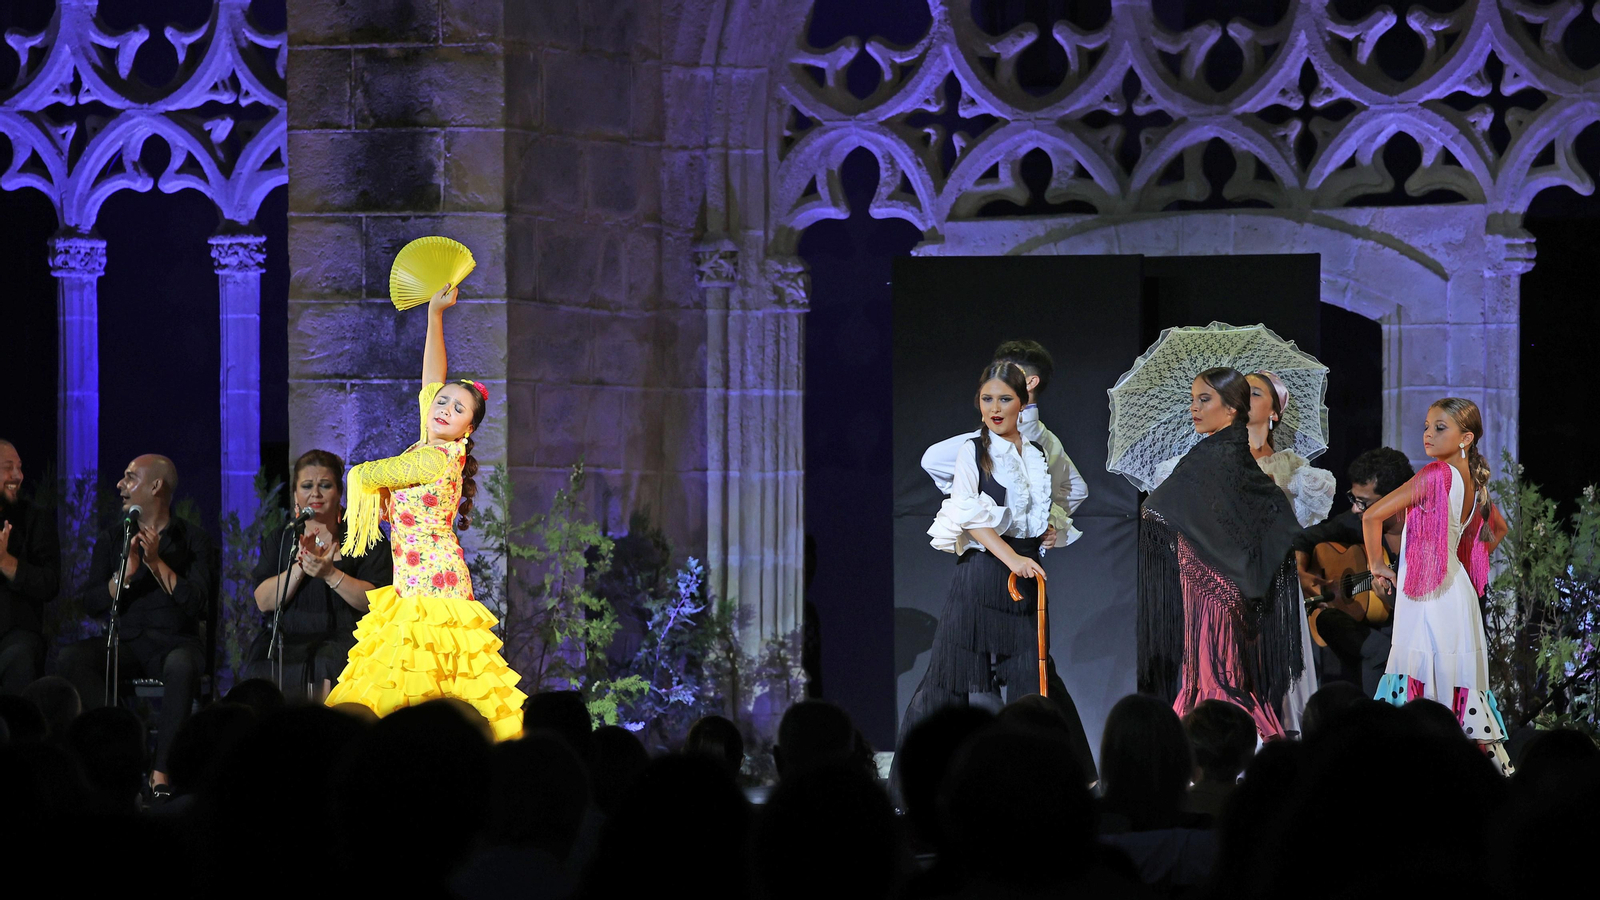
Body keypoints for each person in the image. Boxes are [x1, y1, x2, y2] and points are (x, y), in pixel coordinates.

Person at [324, 283, 525, 740]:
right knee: (411, 674)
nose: (443, 407)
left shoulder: (434, 457)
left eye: (457, 409)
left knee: (434, 676)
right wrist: (434, 316)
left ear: (467, 428)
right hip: (414, 579)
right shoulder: (433, 442)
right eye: (441, 402)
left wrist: (357, 477)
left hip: (434, 580)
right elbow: (432, 379)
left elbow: (374, 474)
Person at [900, 362, 1096, 778]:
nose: (995, 407)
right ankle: (919, 781)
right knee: (952, 678)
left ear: (1023, 402)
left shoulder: (1040, 451)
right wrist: (1013, 558)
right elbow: (969, 516)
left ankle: (1036, 777)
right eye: (987, 399)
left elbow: (1060, 497)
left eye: (1005, 399)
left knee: (1033, 677)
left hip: (1026, 576)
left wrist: (1051, 526)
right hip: (984, 574)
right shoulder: (973, 449)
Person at [1138, 368, 1303, 740]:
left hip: (1212, 586)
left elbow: (1156, 507)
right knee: (1225, 670)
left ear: (1231, 410)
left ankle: (1217, 750)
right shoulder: (1232, 452)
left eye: (1204, 400)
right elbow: (1272, 512)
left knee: (1217, 670)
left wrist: (1195, 537)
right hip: (1230, 586)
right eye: (1193, 400)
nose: (1194, 408)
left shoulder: (1211, 456)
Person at [1363, 398, 1512, 773]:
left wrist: (1378, 565)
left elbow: (1371, 516)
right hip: (1454, 592)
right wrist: (1459, 556)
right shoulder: (1473, 480)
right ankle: (1466, 775)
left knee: (1424, 677)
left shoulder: (1436, 474)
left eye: (1439, 428)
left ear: (1466, 438)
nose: (1428, 434)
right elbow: (1498, 529)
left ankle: (1420, 772)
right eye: (1426, 426)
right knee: (1452, 681)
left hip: (1429, 596)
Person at [58, 454, 214, 787]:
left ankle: (162, 773)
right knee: (72, 658)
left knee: (182, 666)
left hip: (176, 642)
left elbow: (196, 603)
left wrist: (155, 562)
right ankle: (126, 738)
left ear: (156, 486)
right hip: (127, 642)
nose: (120, 485)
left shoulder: (194, 540)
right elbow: (91, 602)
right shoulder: (113, 539)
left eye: (130, 477)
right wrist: (123, 577)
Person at [246, 449, 392, 699]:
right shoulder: (282, 537)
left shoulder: (365, 537)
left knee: (326, 661)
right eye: (306, 486)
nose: (315, 493)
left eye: (325, 485)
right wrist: (301, 567)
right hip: (287, 636)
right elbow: (263, 601)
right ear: (295, 496)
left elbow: (376, 601)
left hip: (345, 636)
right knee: (261, 659)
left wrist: (331, 574)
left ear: (339, 494)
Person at [921, 340, 1088, 549]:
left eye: (1009, 372)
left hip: (999, 553)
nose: (998, 376)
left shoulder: (1003, 438)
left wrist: (1036, 518)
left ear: (1030, 382)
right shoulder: (1048, 439)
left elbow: (932, 460)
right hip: (1011, 552)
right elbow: (1077, 489)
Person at [1246, 371, 1330, 734]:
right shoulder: (1214, 458)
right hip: (1226, 571)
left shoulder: (1291, 466)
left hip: (1274, 575)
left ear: (1274, 412)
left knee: (1275, 661)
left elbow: (1299, 523)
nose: (1244, 397)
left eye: (1254, 392)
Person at [1293, 447, 1415, 694]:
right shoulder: (1353, 523)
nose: (1356, 510)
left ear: (1396, 498)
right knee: (1327, 621)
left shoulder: (1423, 534)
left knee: (1381, 651)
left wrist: (1393, 602)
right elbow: (1302, 540)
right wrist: (1301, 573)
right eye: (1354, 498)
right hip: (1365, 635)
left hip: (1408, 637)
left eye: (1364, 503)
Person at [0, 440, 60, 693]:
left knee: (20, 658)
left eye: (20, 467)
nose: (18, 475)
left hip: (16, 635)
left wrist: (6, 562)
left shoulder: (36, 519)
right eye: (8, 467)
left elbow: (50, 584)